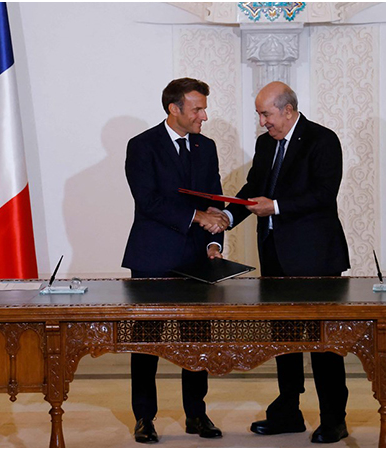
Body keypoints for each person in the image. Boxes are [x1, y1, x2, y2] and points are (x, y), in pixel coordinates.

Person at [223, 81, 352, 444]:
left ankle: (334, 418)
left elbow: (324, 195)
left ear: (288, 110)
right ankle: (288, 411)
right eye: (259, 115)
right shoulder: (266, 144)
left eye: (266, 114)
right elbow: (253, 189)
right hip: (275, 256)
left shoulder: (322, 140)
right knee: (284, 339)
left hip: (316, 259)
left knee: (324, 343)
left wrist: (276, 207)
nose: (262, 122)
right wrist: (227, 217)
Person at [121, 77, 229, 443]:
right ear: (174, 109)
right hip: (152, 257)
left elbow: (214, 199)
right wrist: (199, 218)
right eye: (197, 109)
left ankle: (196, 414)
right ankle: (144, 417)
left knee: (196, 340)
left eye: (204, 109)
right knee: (146, 342)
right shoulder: (142, 146)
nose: (204, 116)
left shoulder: (206, 146)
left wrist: (214, 243)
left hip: (197, 258)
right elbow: (148, 201)